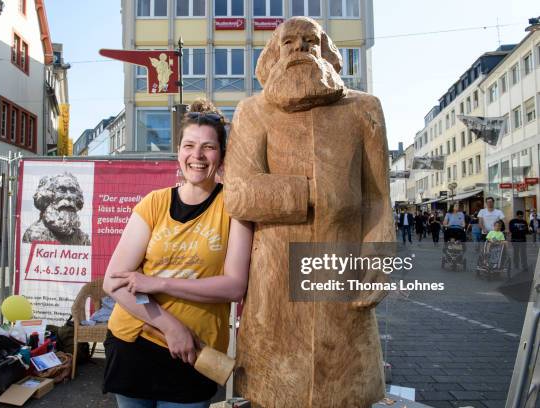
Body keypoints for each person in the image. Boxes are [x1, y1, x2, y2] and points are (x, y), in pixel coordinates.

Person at [223, 17, 394, 407]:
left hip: (342, 276)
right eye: (289, 42)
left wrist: (381, 257)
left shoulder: (364, 108)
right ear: (273, 54)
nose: (300, 48)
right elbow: (238, 193)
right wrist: (314, 191)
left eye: (310, 40)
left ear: (329, 54)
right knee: (274, 393)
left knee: (347, 394)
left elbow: (380, 197)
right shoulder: (253, 111)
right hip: (275, 282)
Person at [101, 100, 253, 408]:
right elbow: (113, 283)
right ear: (179, 152)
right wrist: (172, 327)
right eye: (189, 145)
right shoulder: (154, 203)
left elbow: (234, 286)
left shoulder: (235, 208)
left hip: (194, 353)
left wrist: (159, 283)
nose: (197, 156)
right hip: (135, 343)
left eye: (208, 147)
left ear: (222, 155)